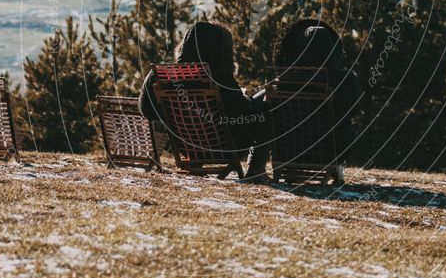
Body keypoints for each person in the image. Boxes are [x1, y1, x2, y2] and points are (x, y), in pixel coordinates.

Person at [138, 21, 270, 180]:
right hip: (223, 147)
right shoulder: (220, 77)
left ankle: (196, 163)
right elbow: (241, 113)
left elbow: (146, 109)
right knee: (266, 109)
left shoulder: (160, 75)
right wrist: (251, 102)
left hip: (185, 146)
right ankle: (256, 168)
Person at [272, 18, 360, 162]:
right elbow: (353, 110)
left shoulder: (286, 80)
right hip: (329, 151)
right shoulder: (344, 79)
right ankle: (335, 169)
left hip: (290, 150)